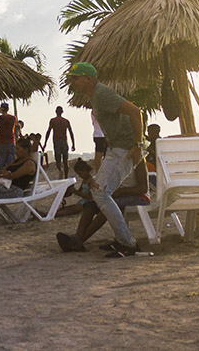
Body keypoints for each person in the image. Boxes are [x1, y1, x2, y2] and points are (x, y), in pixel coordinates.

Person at [66, 62, 144, 258]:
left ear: (89, 79)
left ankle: (128, 243)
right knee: (99, 192)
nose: (73, 82)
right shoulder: (97, 96)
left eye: (76, 78)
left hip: (124, 148)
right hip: (116, 148)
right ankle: (123, 241)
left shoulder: (102, 94)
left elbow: (136, 112)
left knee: (100, 193)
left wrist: (138, 145)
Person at [57, 160, 150, 252]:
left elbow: (143, 188)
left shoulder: (138, 160)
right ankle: (78, 237)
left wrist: (121, 191)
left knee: (107, 207)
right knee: (90, 205)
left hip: (138, 198)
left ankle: (79, 241)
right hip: (119, 196)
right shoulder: (117, 160)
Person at [45, 106, 76, 179]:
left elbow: (48, 132)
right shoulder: (66, 121)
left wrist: (45, 143)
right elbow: (71, 132)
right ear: (62, 112)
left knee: (58, 160)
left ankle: (60, 171)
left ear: (56, 112)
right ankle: (65, 176)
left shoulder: (53, 120)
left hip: (57, 141)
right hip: (64, 141)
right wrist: (73, 144)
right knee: (65, 160)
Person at [0, 102, 18, 172]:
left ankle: (2, 176)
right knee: (11, 161)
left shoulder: (0, 118)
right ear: (8, 109)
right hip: (11, 141)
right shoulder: (12, 118)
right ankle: (11, 176)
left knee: (1, 162)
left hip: (1, 142)